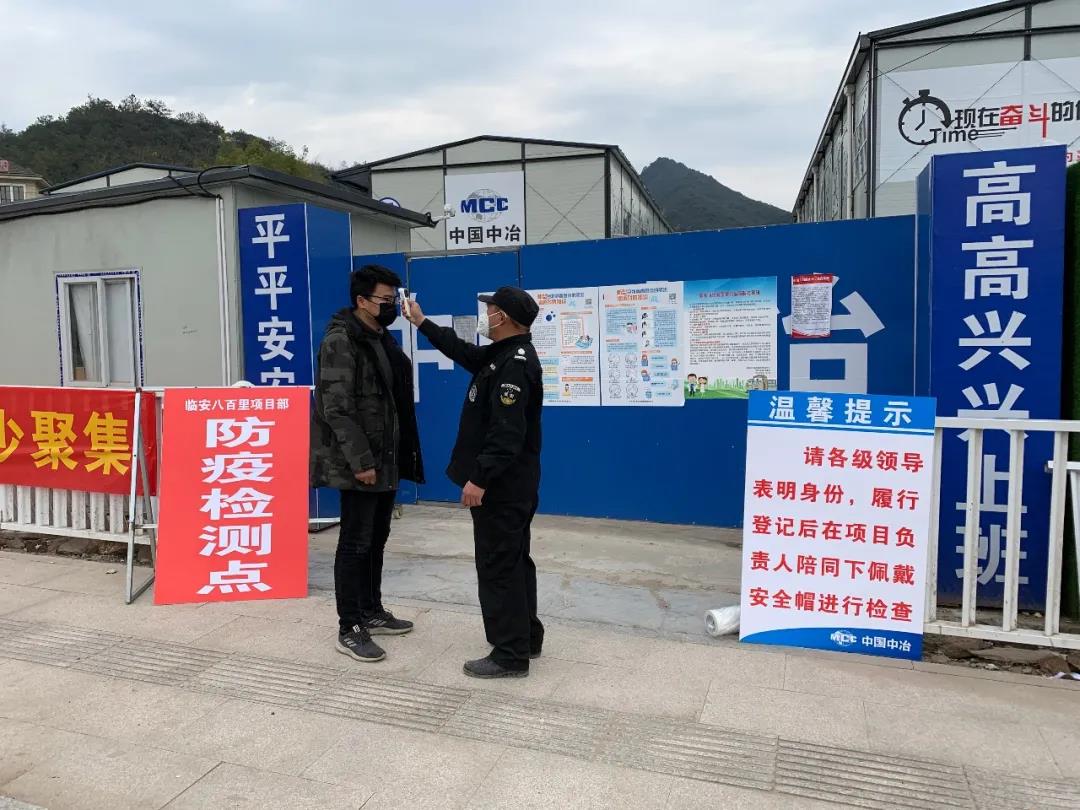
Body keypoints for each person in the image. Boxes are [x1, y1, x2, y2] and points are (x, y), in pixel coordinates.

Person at [404, 286, 544, 679]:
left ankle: (509, 654)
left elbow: (506, 434)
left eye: (490, 309)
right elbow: (462, 351)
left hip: (501, 486)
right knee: (514, 561)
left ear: (505, 318)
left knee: (499, 566)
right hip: (512, 483)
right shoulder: (502, 354)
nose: (486, 315)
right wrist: (422, 322)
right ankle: (527, 637)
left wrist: (478, 479)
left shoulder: (514, 364)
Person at [311, 265, 424, 664]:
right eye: (385, 300)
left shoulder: (378, 335)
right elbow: (336, 408)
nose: (392, 306)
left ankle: (371, 610)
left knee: (377, 538)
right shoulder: (341, 340)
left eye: (394, 299)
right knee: (355, 543)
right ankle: (350, 626)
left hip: (385, 458)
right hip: (360, 462)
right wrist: (361, 461)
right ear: (361, 300)